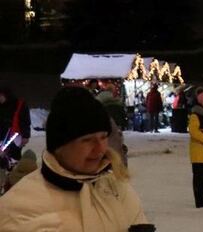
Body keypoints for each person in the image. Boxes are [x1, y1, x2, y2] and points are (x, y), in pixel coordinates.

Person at [0, 87, 150, 230]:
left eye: (103, 137)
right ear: (60, 145)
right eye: (87, 140)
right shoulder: (19, 207)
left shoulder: (119, 190)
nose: (100, 149)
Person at [0, 85, 32, 162]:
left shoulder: (19, 104)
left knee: (14, 157)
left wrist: (26, 136)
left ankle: (15, 170)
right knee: (2, 158)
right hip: (2, 136)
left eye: (1, 96)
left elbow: (26, 121)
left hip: (15, 136)